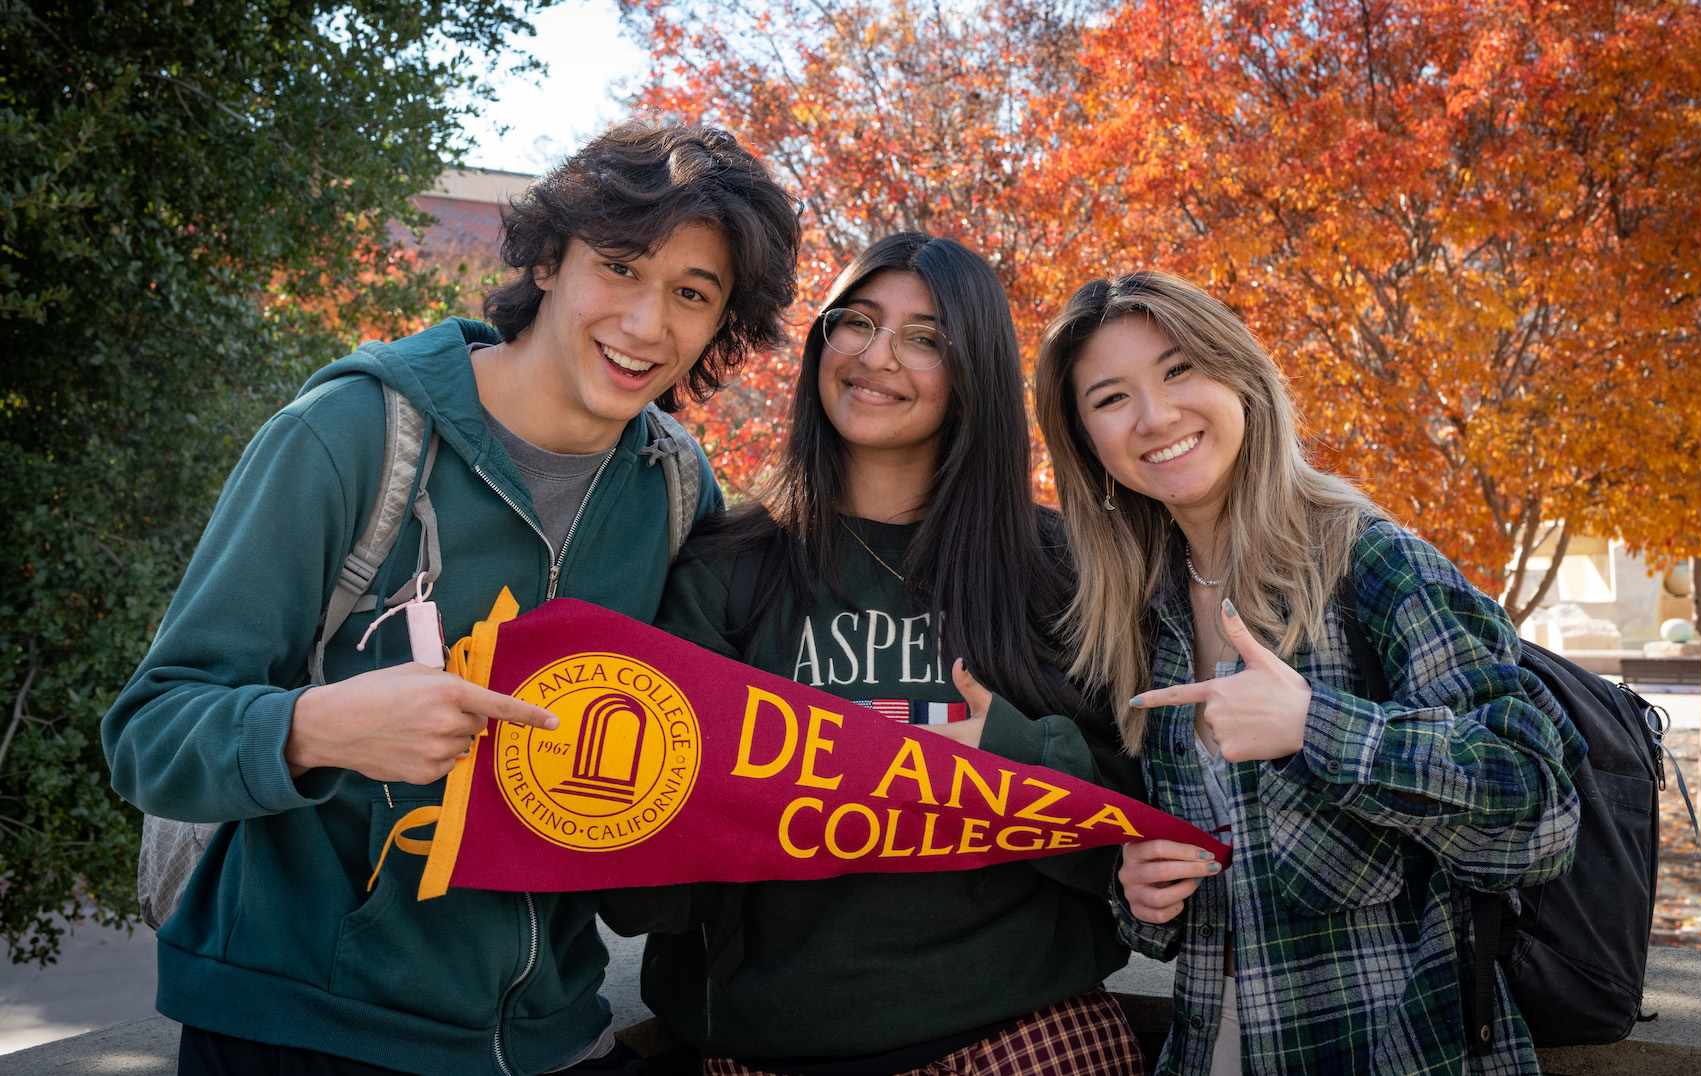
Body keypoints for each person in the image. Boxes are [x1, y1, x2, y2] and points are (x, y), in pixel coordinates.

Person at [102, 122, 800, 1076]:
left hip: (555, 1036)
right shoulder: (347, 437)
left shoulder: (675, 491)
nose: (646, 324)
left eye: (691, 293)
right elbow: (149, 733)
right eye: (622, 267)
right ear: (550, 259)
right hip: (301, 1031)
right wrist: (317, 729)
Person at [617, 232, 1148, 1075]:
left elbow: (1146, 818)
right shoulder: (724, 565)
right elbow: (649, 871)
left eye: (924, 337)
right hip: (765, 1051)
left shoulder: (1060, 567)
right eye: (855, 322)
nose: (875, 355)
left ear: (971, 370)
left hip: (1020, 1039)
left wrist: (1007, 758)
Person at [1031, 271, 1585, 1075]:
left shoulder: (1369, 562)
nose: (1156, 417)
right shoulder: (1138, 615)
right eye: (1112, 398)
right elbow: (1208, 889)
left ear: (1243, 381)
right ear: (1088, 444)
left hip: (1400, 1054)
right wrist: (1144, 893)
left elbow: (1541, 811)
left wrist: (1315, 726)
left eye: (1180, 370)